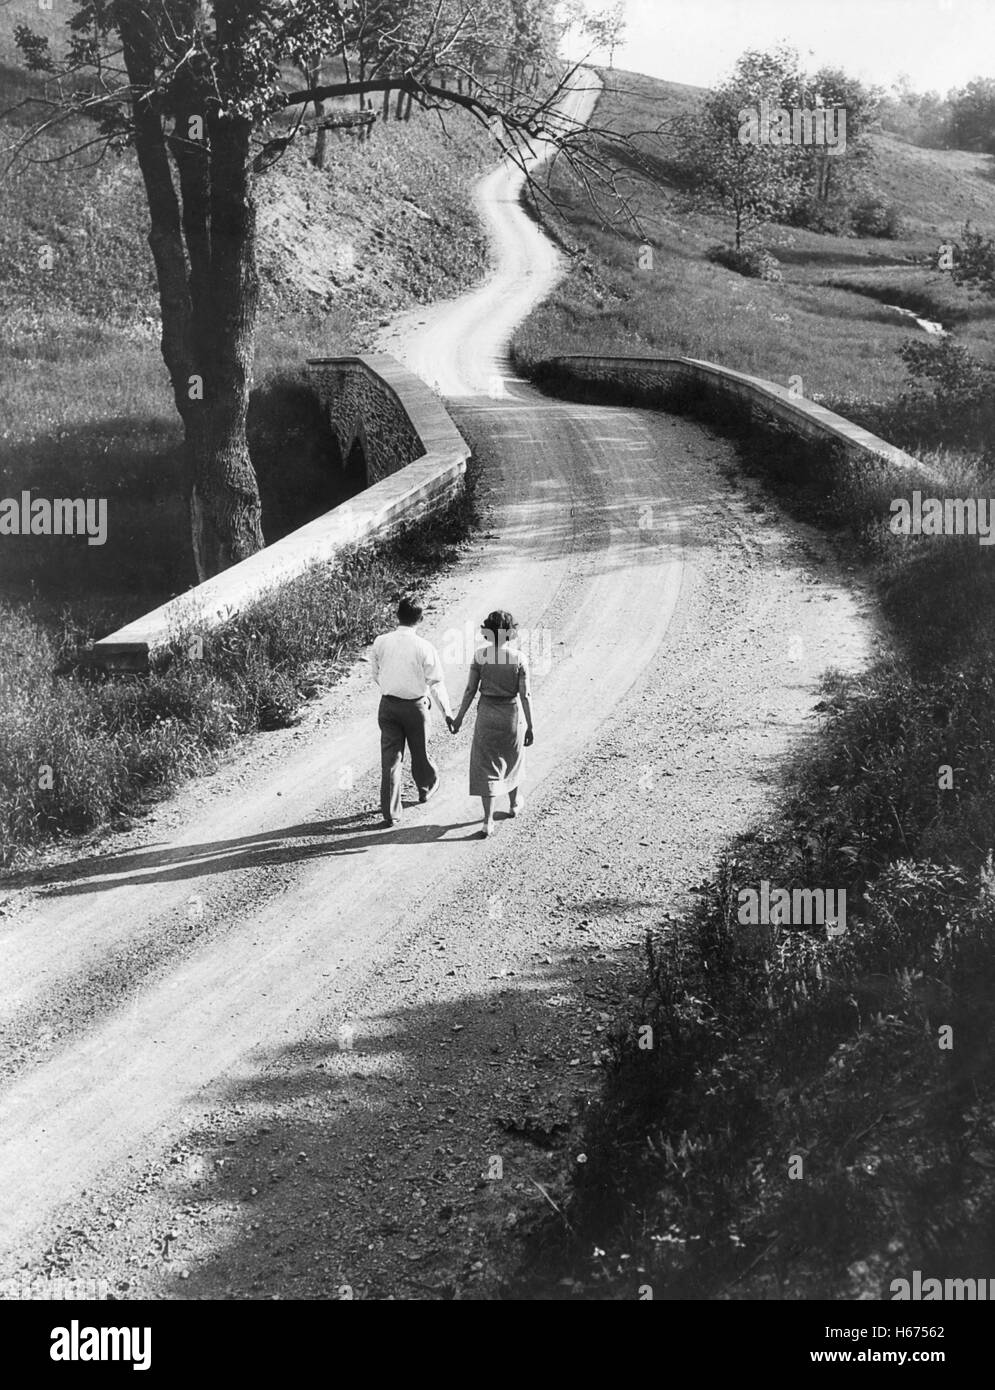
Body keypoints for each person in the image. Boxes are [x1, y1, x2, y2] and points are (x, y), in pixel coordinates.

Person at [370, 596, 455, 827]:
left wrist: (391, 688)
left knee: (390, 760)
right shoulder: (424, 647)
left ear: (397, 615)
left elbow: (375, 673)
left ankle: (390, 813)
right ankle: (425, 788)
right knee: (420, 751)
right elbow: (436, 683)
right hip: (416, 706)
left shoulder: (380, 642)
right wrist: (447, 712)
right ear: (421, 618)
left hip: (387, 706)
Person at [450, 609, 534, 838]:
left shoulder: (480, 656)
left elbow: (470, 690)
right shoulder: (519, 659)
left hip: (486, 714)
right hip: (511, 715)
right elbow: (525, 696)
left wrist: (458, 719)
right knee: (513, 759)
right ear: (510, 633)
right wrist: (531, 725)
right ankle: (514, 804)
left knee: (487, 766)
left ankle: (487, 821)